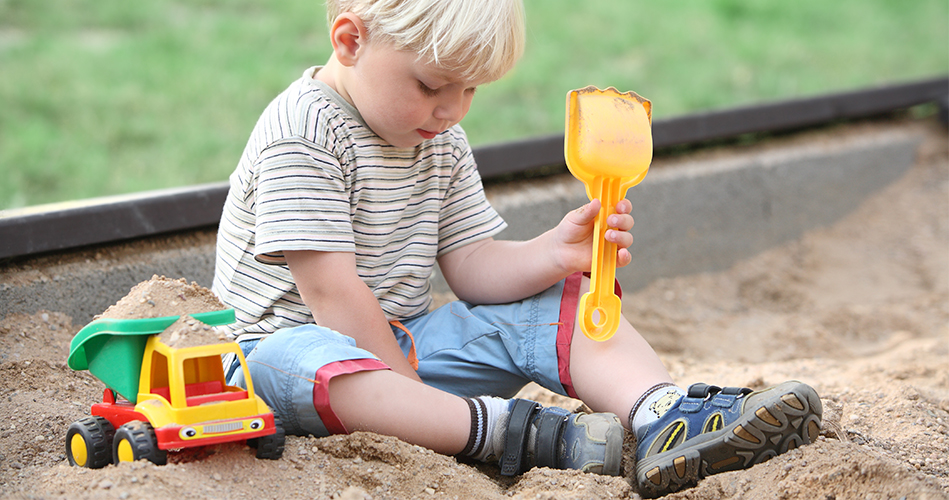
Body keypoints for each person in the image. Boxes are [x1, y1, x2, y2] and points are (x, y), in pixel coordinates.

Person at [211, 0, 822, 496]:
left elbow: (473, 267)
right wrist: (416, 401)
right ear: (351, 41)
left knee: (563, 298)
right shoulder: (304, 133)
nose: (451, 109)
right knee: (314, 357)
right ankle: (511, 433)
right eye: (430, 84)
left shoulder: (438, 138)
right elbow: (334, 297)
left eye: (470, 90)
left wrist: (554, 255)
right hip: (280, 362)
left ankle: (661, 414)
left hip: (408, 352)